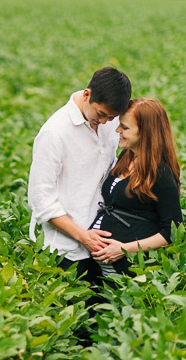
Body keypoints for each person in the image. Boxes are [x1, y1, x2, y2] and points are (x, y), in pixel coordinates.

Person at [28, 67, 131, 285]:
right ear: (87, 95)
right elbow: (41, 201)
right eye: (101, 114)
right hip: (65, 250)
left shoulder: (109, 121)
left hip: (102, 243)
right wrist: (83, 236)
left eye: (111, 117)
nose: (105, 122)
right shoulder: (54, 133)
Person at [90, 97, 182, 276]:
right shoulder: (127, 156)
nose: (118, 130)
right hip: (100, 270)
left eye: (125, 127)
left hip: (131, 272)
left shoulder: (160, 173)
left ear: (145, 132)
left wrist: (124, 249)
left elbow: (172, 231)